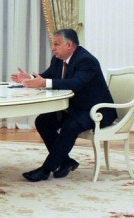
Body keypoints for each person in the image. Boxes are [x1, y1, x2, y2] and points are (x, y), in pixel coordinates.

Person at [11, 28, 116, 182]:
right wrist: (30, 78)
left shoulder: (86, 60)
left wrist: (43, 82)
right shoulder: (58, 59)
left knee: (70, 127)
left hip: (95, 109)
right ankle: (66, 162)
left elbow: (76, 83)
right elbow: (46, 77)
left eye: (56, 44)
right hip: (74, 107)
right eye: (53, 44)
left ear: (69, 45)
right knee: (43, 121)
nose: (53, 48)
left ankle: (46, 169)